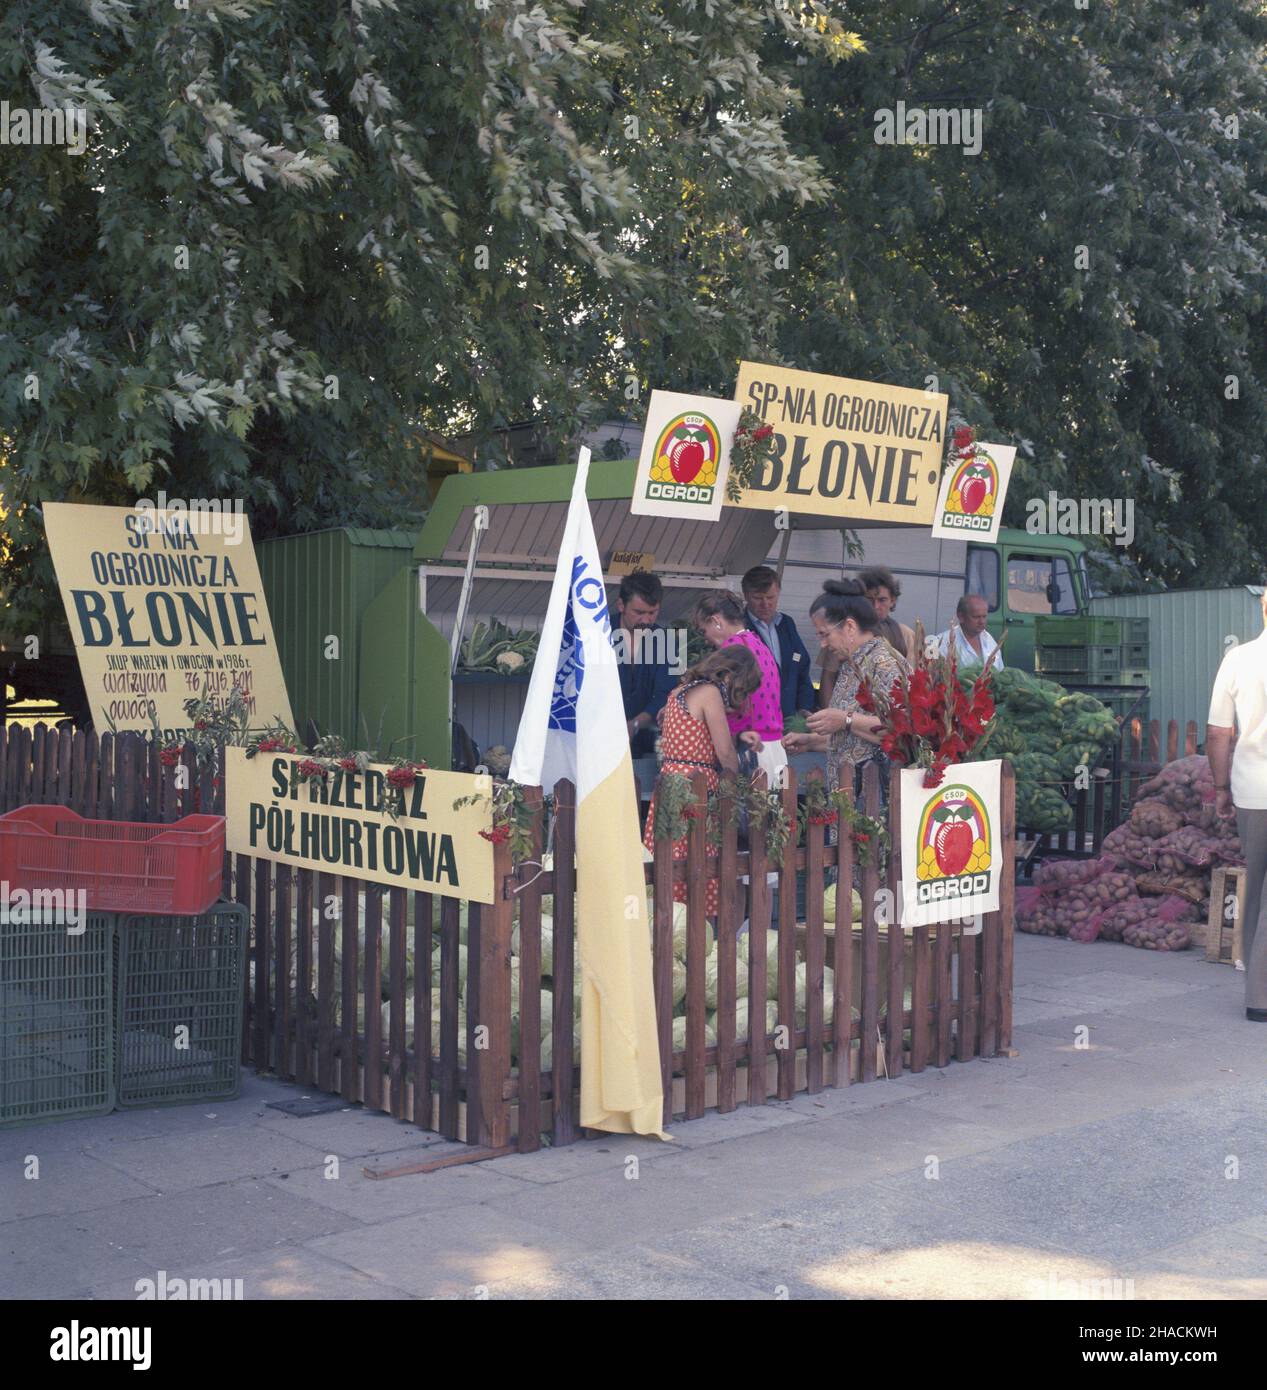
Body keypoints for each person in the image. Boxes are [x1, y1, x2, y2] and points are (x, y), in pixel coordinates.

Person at [642, 645, 764, 915]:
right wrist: (738, 784)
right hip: (695, 787)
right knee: (698, 863)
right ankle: (697, 930)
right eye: (742, 689)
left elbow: (698, 734)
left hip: (670, 782)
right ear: (731, 676)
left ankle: (669, 922)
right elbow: (723, 751)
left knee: (669, 860)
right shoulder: (710, 693)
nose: (739, 697)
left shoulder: (678, 692)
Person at [782, 579, 910, 806]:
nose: (822, 644)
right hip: (850, 796)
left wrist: (845, 719)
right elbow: (853, 739)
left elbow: (899, 732)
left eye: (824, 634)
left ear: (849, 627)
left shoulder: (884, 663)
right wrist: (810, 742)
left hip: (873, 798)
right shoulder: (852, 663)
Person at [1205, 583, 1267, 1022]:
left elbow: (1217, 733)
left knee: (1256, 884)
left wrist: (1221, 788)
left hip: (1251, 791)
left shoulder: (1238, 658)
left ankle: (1255, 993)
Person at [693, 589, 783, 743]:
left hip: (748, 744)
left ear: (716, 621)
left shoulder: (731, 651)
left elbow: (721, 703)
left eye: (704, 631)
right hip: (773, 742)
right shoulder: (759, 643)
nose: (706, 639)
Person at [613, 571, 677, 757]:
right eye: (639, 612)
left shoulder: (671, 640)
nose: (646, 620)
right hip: (601, 742)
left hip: (650, 744)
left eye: (652, 613)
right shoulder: (598, 634)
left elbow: (668, 693)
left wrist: (635, 724)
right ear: (621, 605)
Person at [741, 565, 815, 717]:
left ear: (778, 593)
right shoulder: (740, 628)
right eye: (758, 598)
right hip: (756, 720)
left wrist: (804, 706)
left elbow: (802, 667)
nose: (765, 604)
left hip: (790, 717)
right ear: (746, 596)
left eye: (770, 597)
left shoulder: (786, 623)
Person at [858, 565, 917, 664]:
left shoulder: (906, 634)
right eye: (869, 599)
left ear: (892, 601)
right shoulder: (848, 632)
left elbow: (913, 673)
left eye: (882, 600)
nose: (875, 606)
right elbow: (829, 674)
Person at [936, 594, 1004, 671]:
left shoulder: (989, 640)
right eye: (976, 617)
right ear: (961, 617)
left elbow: (1000, 671)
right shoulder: (942, 643)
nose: (982, 622)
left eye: (984, 616)